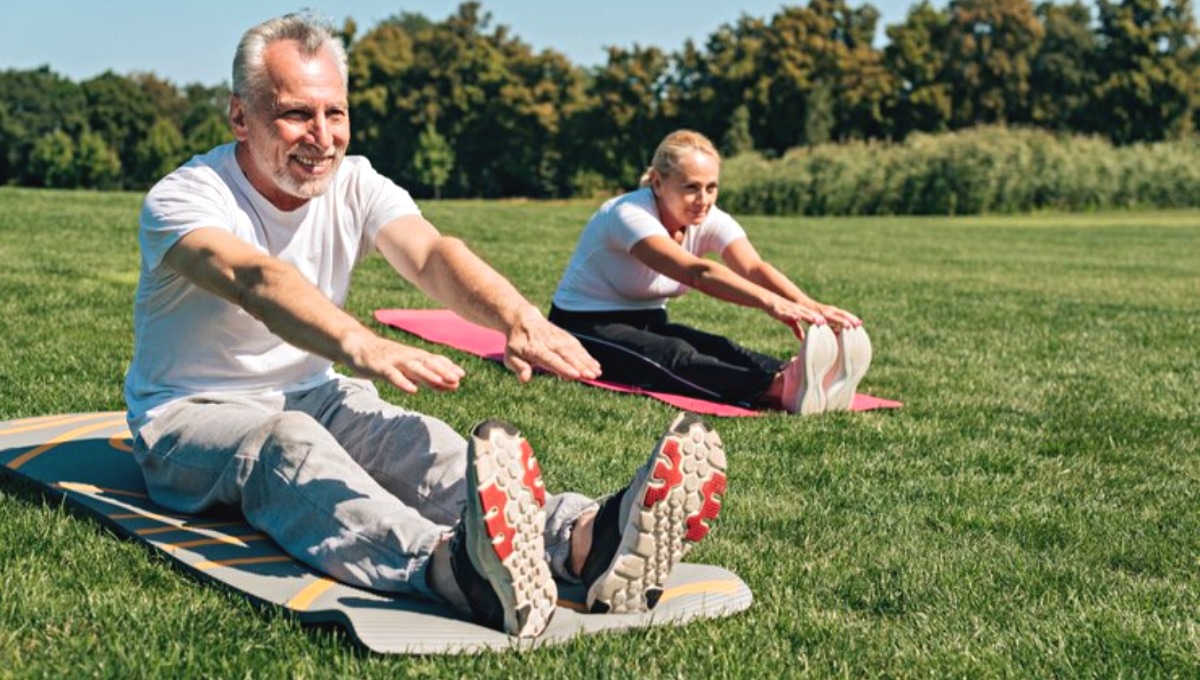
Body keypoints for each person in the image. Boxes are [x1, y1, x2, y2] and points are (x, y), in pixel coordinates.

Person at [123, 14, 727, 639]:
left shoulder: (355, 182)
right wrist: (360, 343)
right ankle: (449, 567)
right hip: (189, 415)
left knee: (416, 443)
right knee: (285, 446)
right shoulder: (186, 197)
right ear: (240, 117)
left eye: (336, 113)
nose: (323, 137)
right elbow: (256, 279)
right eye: (296, 114)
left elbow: (432, 253)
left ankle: (582, 542)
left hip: (315, 394)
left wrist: (517, 318)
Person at [548, 130, 873, 416]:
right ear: (658, 183)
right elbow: (697, 272)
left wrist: (812, 307)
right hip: (583, 326)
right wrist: (769, 302)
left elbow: (753, 267)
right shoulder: (628, 215)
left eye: (711, 188)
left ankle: (802, 377)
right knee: (674, 356)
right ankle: (776, 388)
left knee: (718, 346)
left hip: (647, 320)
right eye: (691, 187)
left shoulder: (707, 217)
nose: (703, 200)